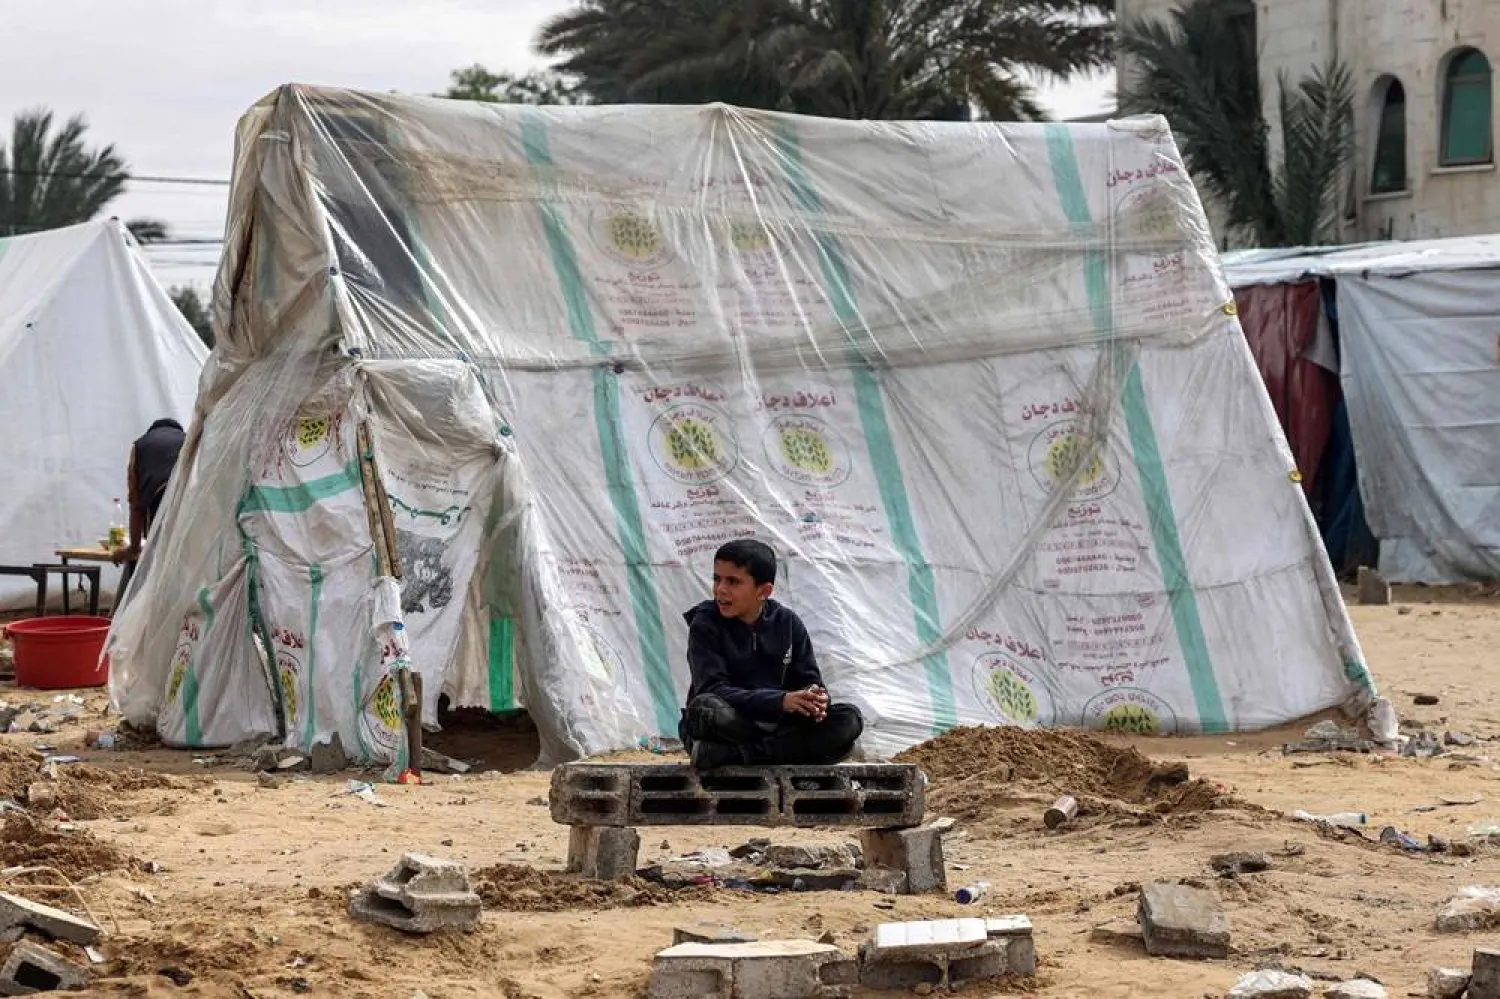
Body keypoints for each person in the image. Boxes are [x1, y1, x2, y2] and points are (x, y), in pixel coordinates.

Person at [679, 539, 864, 770]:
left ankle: (737, 755)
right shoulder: (705, 623)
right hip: (732, 723)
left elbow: (810, 682)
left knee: (850, 718)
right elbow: (712, 689)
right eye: (717, 579)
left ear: (764, 591)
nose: (720, 589)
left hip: (777, 724)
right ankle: (794, 751)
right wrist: (779, 701)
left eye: (733, 581)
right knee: (705, 709)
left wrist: (815, 699)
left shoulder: (788, 623)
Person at [111, 418, 187, 588]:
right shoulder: (191, 440)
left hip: (159, 509)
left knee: (158, 570)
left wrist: (133, 548)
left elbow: (136, 504)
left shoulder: (139, 447)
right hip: (189, 509)